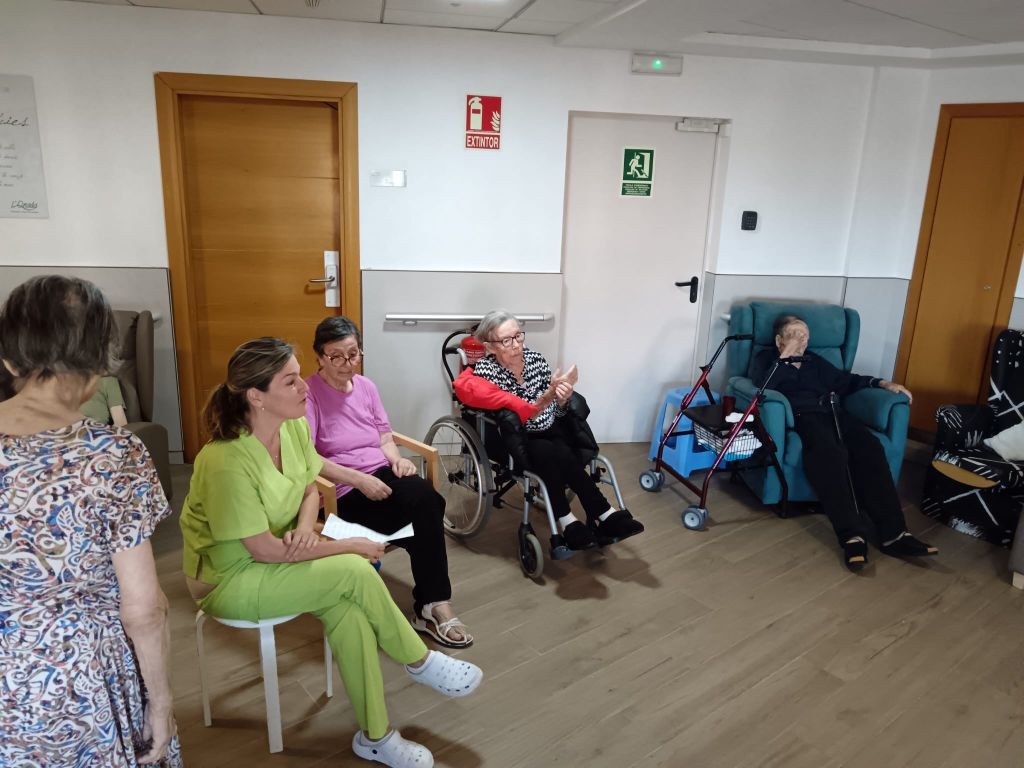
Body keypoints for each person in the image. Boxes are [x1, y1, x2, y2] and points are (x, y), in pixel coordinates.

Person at [179, 337, 482, 768]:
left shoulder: (292, 428)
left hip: (278, 552)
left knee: (350, 611)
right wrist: (350, 545)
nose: (305, 386)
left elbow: (309, 489)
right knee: (354, 570)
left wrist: (306, 529)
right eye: (290, 381)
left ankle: (377, 737)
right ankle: (419, 660)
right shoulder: (224, 461)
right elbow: (262, 550)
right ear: (255, 396)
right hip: (227, 579)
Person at [0, 275, 180, 767]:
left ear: (10, 359)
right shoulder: (114, 454)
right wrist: (161, 702)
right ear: (102, 361)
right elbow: (143, 609)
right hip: (86, 676)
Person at [305, 317, 472, 648]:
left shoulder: (366, 387)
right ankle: (434, 605)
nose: (346, 363)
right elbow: (307, 458)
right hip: (342, 490)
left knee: (428, 500)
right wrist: (359, 480)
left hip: (380, 474)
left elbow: (384, 437)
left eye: (353, 354)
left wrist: (396, 459)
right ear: (320, 357)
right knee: (425, 515)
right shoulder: (309, 394)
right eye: (336, 356)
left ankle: (433, 603)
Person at [751, 314, 938, 571]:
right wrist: (785, 358)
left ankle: (895, 534)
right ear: (779, 340)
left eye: (805, 335)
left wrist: (883, 383)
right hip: (805, 417)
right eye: (794, 334)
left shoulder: (814, 361)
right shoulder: (767, 360)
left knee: (870, 447)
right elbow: (763, 387)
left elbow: (846, 381)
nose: (801, 340)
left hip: (835, 413)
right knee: (829, 454)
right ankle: (852, 535)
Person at [454, 309, 644, 551]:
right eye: (506, 340)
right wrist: (541, 402)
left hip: (552, 428)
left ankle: (581, 519)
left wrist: (561, 401)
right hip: (519, 436)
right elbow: (507, 411)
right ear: (490, 347)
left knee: (558, 448)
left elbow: (557, 412)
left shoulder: (536, 359)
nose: (516, 345)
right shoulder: (486, 371)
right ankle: (593, 513)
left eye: (518, 336)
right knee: (548, 451)